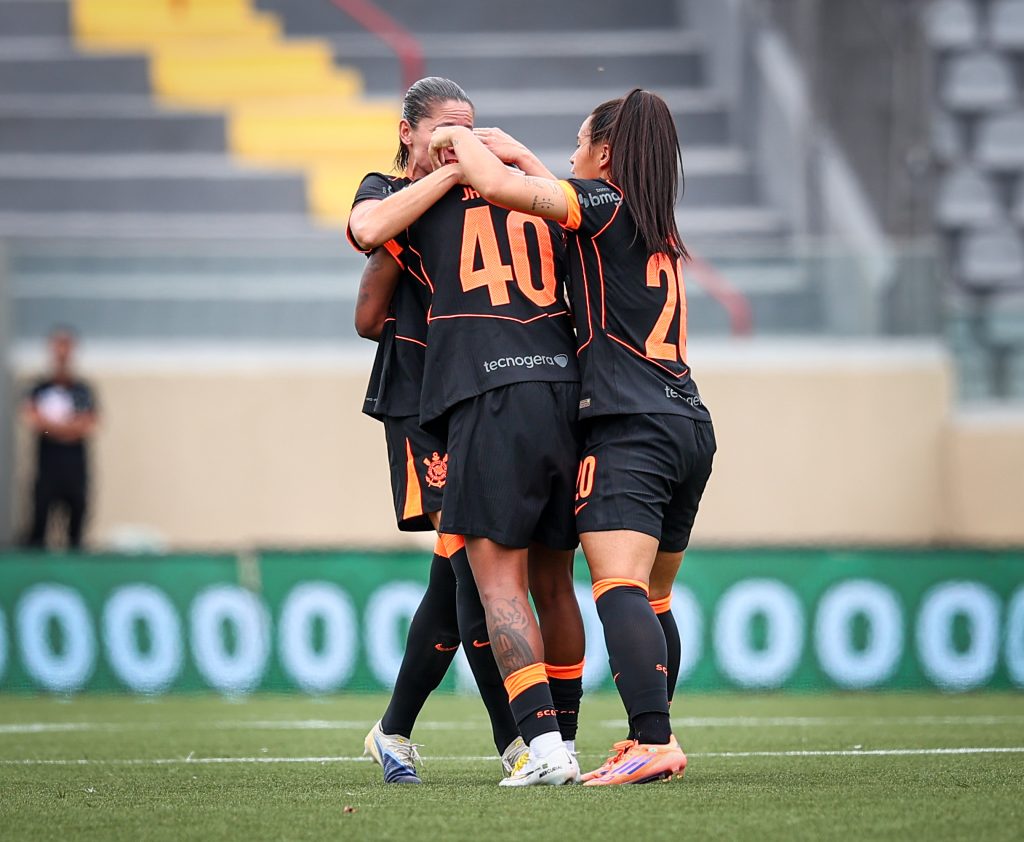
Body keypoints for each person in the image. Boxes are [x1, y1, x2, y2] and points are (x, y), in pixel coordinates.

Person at [429, 88, 716, 786]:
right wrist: (525, 157)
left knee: (616, 585)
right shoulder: (657, 222)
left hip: (629, 425)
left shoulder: (603, 206)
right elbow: (554, 188)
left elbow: (499, 188)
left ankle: (652, 738)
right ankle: (653, 732)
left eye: (579, 146)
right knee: (653, 598)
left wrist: (454, 140)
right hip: (688, 423)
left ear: (605, 154)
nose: (569, 159)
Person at [348, 78, 584, 786]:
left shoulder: (501, 189)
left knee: (466, 574)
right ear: (407, 133)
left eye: (468, 130)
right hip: (426, 397)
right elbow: (367, 314)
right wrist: (452, 175)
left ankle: (410, 732)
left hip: (480, 394)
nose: (459, 141)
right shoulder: (391, 192)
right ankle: (518, 741)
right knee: (468, 573)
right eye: (445, 130)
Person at [21, 326, 99, 551]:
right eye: (58, 347)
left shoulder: (83, 390)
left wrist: (55, 428)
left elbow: (90, 424)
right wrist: (65, 428)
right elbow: (34, 422)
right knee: (39, 527)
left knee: (76, 530)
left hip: (75, 470)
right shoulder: (38, 388)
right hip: (47, 469)